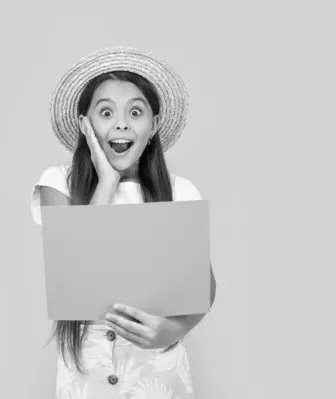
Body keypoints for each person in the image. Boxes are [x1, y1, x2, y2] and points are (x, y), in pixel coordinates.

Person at [30, 47, 216, 399]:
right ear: (85, 124)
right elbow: (71, 269)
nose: (121, 123)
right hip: (86, 382)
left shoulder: (179, 191)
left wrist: (173, 330)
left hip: (160, 380)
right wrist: (106, 183)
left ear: (154, 125)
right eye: (105, 113)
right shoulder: (58, 185)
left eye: (135, 112)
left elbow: (204, 288)